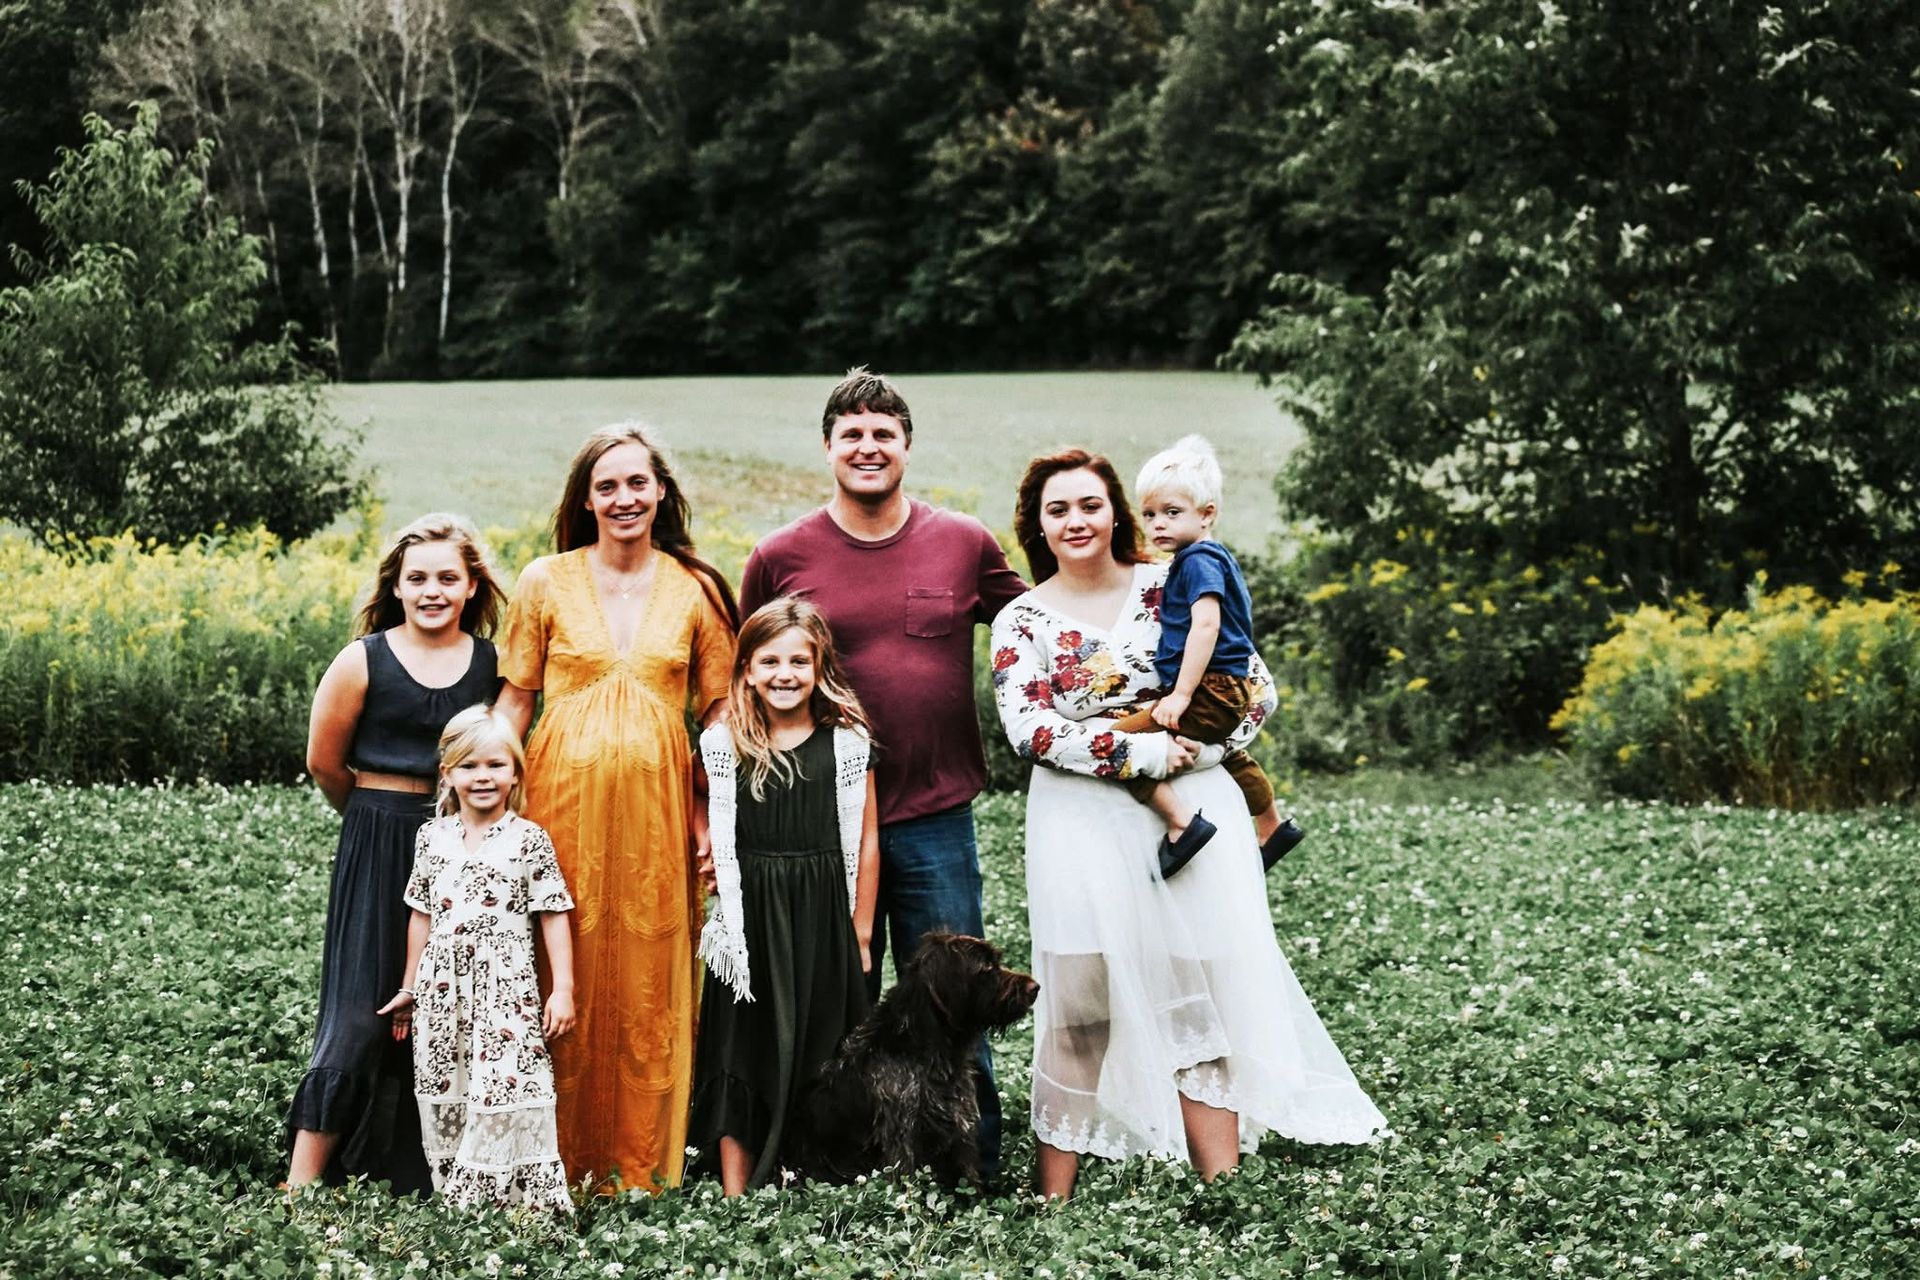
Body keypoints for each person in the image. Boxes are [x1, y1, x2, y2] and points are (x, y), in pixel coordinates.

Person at [990, 449, 1386, 1199]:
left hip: (1194, 812)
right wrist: (1136, 752)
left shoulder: (1174, 580)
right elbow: (1029, 731)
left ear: (1117, 513)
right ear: (1036, 525)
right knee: (1078, 1012)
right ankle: (1053, 1201)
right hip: (1077, 826)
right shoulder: (1021, 620)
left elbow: (1255, 690)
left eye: (1089, 505)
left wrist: (1194, 750)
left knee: (1195, 1004)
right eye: (1057, 510)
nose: (1076, 521)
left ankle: (1222, 1188)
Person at [738, 367, 1026, 1179]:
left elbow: (1042, 630)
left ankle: (974, 1160)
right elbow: (739, 679)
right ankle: (838, 1160)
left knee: (957, 998)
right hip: (818, 824)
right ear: (828, 448)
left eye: (883, 434)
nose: (868, 447)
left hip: (936, 815)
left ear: (907, 446)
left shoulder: (962, 540)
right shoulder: (780, 555)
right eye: (851, 435)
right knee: (844, 1002)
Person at [495, 425, 738, 1193]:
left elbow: (722, 712)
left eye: (638, 483)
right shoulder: (544, 580)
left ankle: (640, 1168)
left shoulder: (695, 587)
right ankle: (549, 1161)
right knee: (555, 968)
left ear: (661, 491)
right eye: (608, 486)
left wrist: (714, 820)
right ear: (586, 499)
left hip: (659, 819)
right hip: (558, 811)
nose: (624, 498)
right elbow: (514, 700)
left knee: (645, 981)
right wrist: (484, 786)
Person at [285, 514, 505, 1194]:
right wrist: (372, 821)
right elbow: (325, 763)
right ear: (396, 587)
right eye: (418, 578)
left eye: (447, 577)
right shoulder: (363, 659)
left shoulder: (490, 665)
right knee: (359, 1007)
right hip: (376, 832)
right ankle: (299, 1181)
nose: (432, 590)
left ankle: (416, 1167)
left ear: (471, 586)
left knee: (445, 1002)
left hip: (458, 839)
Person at [688, 598, 879, 1195]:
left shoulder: (846, 743)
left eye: (800, 660)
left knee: (824, 1042)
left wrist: (863, 930)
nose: (785, 674)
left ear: (820, 667)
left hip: (822, 911)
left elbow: (867, 840)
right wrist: (713, 865)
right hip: (750, 919)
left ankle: (816, 1174)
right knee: (740, 1046)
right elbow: (711, 816)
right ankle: (735, 1188)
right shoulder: (725, 742)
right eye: (769, 660)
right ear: (745, 668)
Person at [377, 705, 576, 1213]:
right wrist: (410, 988)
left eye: (494, 765)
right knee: (453, 1084)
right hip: (442, 990)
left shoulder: (528, 840)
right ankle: (463, 1207)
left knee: (503, 1086)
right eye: (468, 766)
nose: (482, 777)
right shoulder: (432, 838)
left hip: (505, 990)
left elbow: (553, 913)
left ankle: (520, 1204)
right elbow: (420, 915)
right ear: (448, 773)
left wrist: (563, 990)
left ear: (515, 773)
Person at [1105, 435, 1296, 877]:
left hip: (1208, 687)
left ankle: (1182, 825)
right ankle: (1272, 825)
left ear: (1207, 514)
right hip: (1227, 689)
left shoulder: (1197, 561)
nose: (1158, 525)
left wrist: (1180, 695)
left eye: (1172, 513)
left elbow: (1205, 625)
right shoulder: (1213, 557)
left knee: (1117, 744)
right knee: (1229, 753)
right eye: (1150, 514)